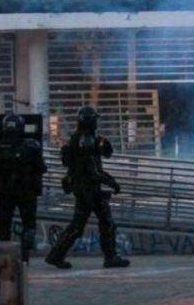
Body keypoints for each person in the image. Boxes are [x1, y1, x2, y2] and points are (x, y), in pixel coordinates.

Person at [45, 106, 130, 269]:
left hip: (87, 188)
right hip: (88, 189)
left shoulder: (79, 138)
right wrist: (112, 183)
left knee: (105, 222)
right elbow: (94, 171)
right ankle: (56, 255)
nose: (97, 123)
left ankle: (110, 257)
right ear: (90, 121)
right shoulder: (87, 141)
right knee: (79, 226)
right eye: (95, 120)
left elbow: (97, 164)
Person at [0, 112, 47, 260]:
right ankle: (26, 252)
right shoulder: (31, 146)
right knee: (28, 222)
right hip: (26, 190)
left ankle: (5, 256)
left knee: (4, 225)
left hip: (4, 190)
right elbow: (41, 167)